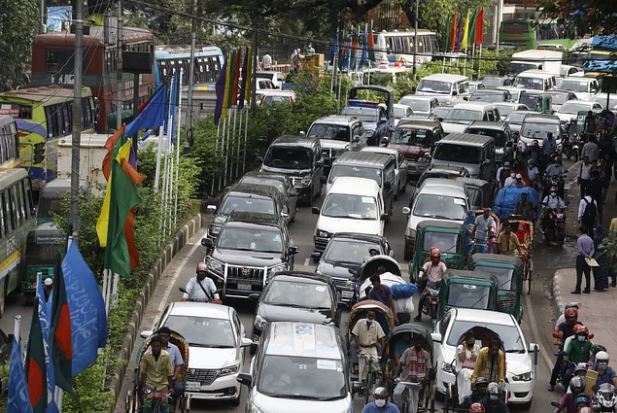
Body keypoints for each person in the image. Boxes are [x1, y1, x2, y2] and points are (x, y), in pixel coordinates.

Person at [147, 327, 184, 399]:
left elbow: (179, 364)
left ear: (169, 337)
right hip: (153, 377)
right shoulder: (151, 348)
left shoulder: (174, 349)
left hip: (169, 378)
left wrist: (174, 377)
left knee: (179, 389)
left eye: (166, 337)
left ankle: (170, 403)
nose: (163, 338)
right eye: (161, 336)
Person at [140, 335, 173, 413]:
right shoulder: (146, 355)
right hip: (149, 383)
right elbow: (143, 372)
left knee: (164, 405)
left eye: (158, 346)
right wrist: (144, 386)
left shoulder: (166, 356)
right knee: (147, 405)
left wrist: (170, 387)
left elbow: (170, 372)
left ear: (161, 346)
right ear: (151, 346)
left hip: (162, 384)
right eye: (154, 346)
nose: (156, 348)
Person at [393, 340, 431, 407]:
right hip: (405, 378)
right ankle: (399, 409)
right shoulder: (408, 351)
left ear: (423, 344)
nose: (419, 344)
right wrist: (396, 374)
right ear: (414, 343)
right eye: (417, 342)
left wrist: (426, 377)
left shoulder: (426, 354)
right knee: (396, 394)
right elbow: (401, 363)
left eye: (420, 343)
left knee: (414, 400)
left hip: (417, 380)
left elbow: (428, 367)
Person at [352, 310, 385, 383]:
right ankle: (361, 381)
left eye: (372, 316)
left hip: (372, 347)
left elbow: (381, 338)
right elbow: (355, 335)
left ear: (374, 317)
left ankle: (374, 375)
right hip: (362, 347)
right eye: (369, 315)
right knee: (363, 364)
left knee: (375, 361)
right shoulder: (360, 322)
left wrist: (382, 350)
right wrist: (358, 347)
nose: (370, 317)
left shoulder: (376, 324)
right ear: (366, 315)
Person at [414, 248, 447, 321]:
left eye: (437, 258)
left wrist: (445, 275)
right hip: (429, 284)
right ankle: (419, 314)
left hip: (439, 285)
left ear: (439, 258)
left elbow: (445, 270)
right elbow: (423, 269)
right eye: (434, 258)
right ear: (431, 258)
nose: (435, 259)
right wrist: (420, 276)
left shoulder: (442, 264)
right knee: (422, 298)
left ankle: (444, 316)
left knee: (445, 300)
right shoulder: (427, 264)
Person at [456, 335, 481, 404]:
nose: (471, 343)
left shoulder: (477, 348)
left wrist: (476, 357)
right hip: (463, 369)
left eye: (473, 341)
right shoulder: (460, 348)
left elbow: (479, 360)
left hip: (474, 370)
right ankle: (465, 397)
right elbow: (462, 359)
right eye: (470, 341)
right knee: (466, 375)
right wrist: (464, 347)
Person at [573, 226, 594, 294]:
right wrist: (590, 256)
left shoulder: (580, 239)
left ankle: (578, 289)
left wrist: (586, 256)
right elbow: (593, 249)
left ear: (580, 231)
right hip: (588, 258)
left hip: (581, 258)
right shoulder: (590, 239)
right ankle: (587, 289)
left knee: (579, 274)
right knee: (587, 274)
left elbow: (580, 250)